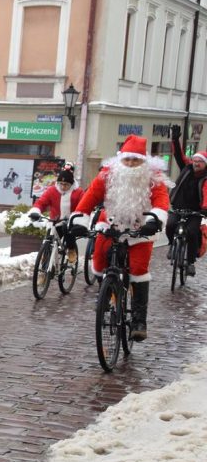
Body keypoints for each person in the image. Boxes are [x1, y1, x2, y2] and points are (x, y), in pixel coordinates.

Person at [70, 135, 170, 341]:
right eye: (127, 160)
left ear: (144, 162)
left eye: (136, 160)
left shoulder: (153, 177)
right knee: (98, 260)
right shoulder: (108, 175)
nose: (131, 164)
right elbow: (90, 198)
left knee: (138, 270)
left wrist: (156, 220)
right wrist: (80, 220)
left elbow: (161, 200)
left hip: (140, 230)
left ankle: (139, 320)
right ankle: (105, 292)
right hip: (111, 225)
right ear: (120, 160)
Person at [166, 124, 207, 276]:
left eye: (200, 161)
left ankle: (190, 262)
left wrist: (204, 208)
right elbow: (178, 155)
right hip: (178, 206)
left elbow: (206, 193)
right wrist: (175, 139)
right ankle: (171, 245)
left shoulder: (205, 177)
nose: (196, 163)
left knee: (191, 232)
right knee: (170, 225)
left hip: (196, 211)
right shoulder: (186, 168)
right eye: (195, 160)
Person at [27, 162, 84, 263]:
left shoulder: (78, 192)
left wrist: (78, 218)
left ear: (71, 184)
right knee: (48, 243)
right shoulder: (52, 190)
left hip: (70, 221)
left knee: (67, 229)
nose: (62, 186)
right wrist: (36, 210)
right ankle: (44, 271)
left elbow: (83, 206)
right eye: (60, 184)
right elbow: (41, 202)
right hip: (55, 221)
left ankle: (71, 249)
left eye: (66, 184)